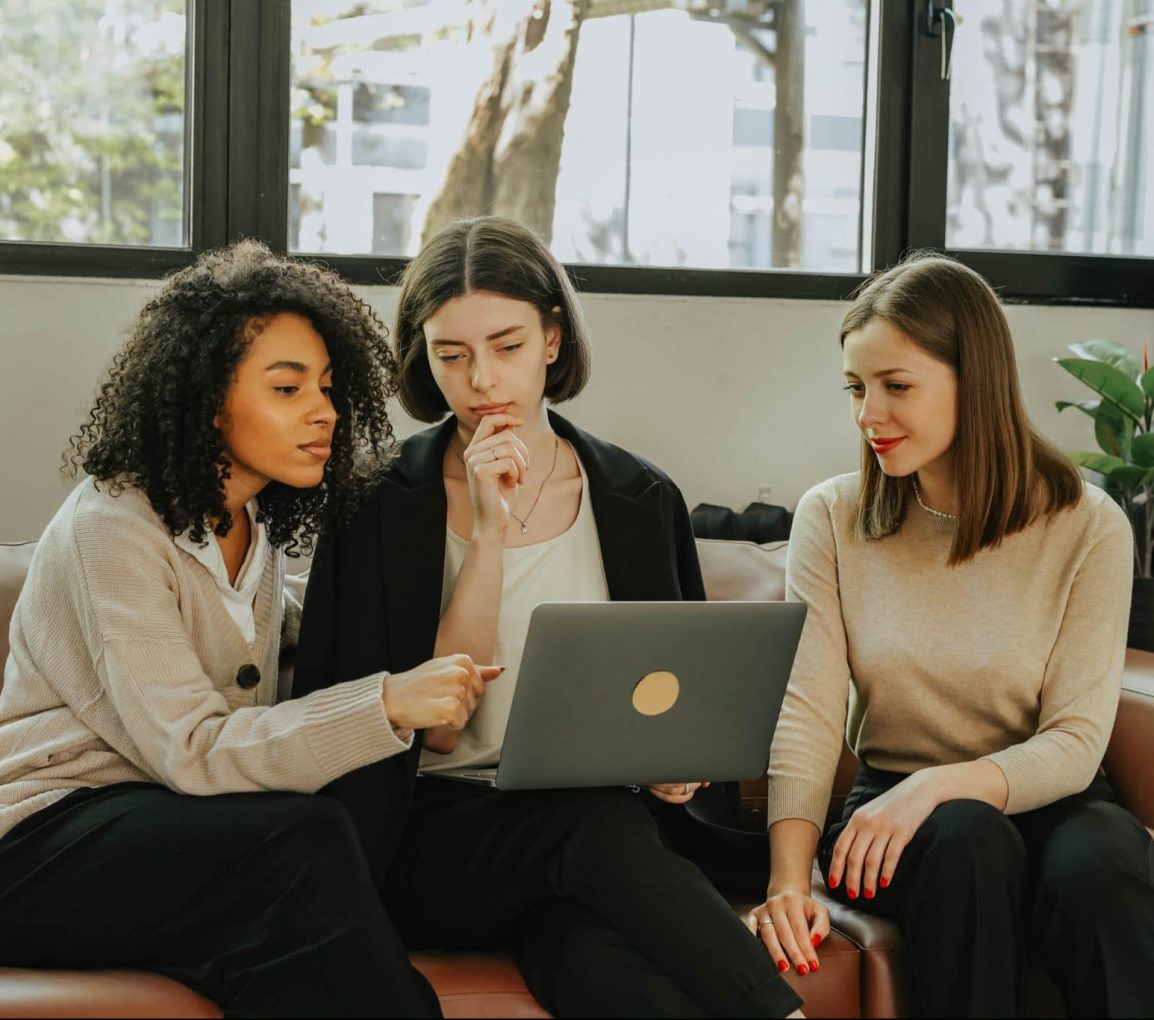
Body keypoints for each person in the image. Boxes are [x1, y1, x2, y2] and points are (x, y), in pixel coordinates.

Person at [293, 216, 804, 1019]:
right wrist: (491, 536)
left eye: (508, 346)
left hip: (598, 841)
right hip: (427, 837)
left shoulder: (640, 497)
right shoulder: (375, 503)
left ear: (553, 340)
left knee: (587, 955)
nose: (481, 380)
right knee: (588, 826)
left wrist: (676, 766)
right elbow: (435, 734)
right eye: (451, 355)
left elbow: (680, 692)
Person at [0, 240, 501, 1018]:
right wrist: (387, 704)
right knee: (302, 839)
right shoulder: (112, 528)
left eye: (329, 388)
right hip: (42, 842)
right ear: (206, 399)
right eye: (287, 387)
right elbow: (193, 752)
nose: (325, 411)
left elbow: (302, 642)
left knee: (291, 938)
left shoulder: (246, 523)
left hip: (173, 836)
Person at [748, 252, 1154, 1017]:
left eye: (897, 387)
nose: (870, 414)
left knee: (1102, 862)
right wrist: (787, 879)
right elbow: (804, 714)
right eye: (856, 388)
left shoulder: (1087, 523)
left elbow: (1074, 740)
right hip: (896, 815)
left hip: (1051, 798)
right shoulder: (832, 519)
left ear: (978, 381)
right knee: (968, 839)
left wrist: (938, 784)